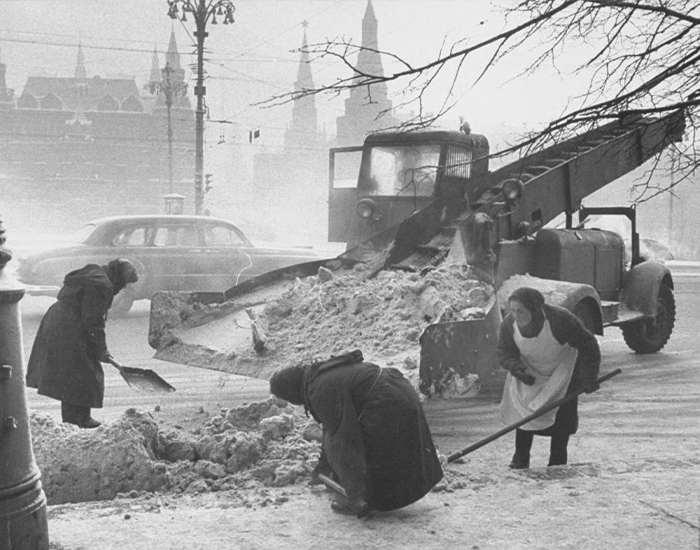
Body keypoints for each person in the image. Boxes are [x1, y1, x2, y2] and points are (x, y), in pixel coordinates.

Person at [269, 350, 443, 518]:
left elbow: (343, 439)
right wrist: (324, 467)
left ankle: (368, 497)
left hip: (385, 398)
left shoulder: (318, 389)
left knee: (359, 446)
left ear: (291, 393)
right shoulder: (319, 377)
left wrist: (354, 495)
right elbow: (331, 427)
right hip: (400, 388)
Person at [26, 259, 138, 429]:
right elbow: (93, 320)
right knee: (78, 373)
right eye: (123, 285)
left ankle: (81, 417)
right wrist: (101, 349)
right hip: (69, 327)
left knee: (78, 373)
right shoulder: (101, 284)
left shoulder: (96, 274)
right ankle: (74, 420)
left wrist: (98, 348)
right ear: (120, 278)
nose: (122, 289)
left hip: (63, 322)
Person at [497, 287, 601, 469]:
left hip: (562, 371)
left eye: (521, 311)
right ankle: (520, 459)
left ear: (534, 309)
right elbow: (505, 352)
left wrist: (589, 376)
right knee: (524, 415)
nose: (516, 316)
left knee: (562, 420)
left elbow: (588, 344)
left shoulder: (560, 319)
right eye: (512, 311)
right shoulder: (509, 324)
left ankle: (557, 463)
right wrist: (517, 368)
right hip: (529, 372)